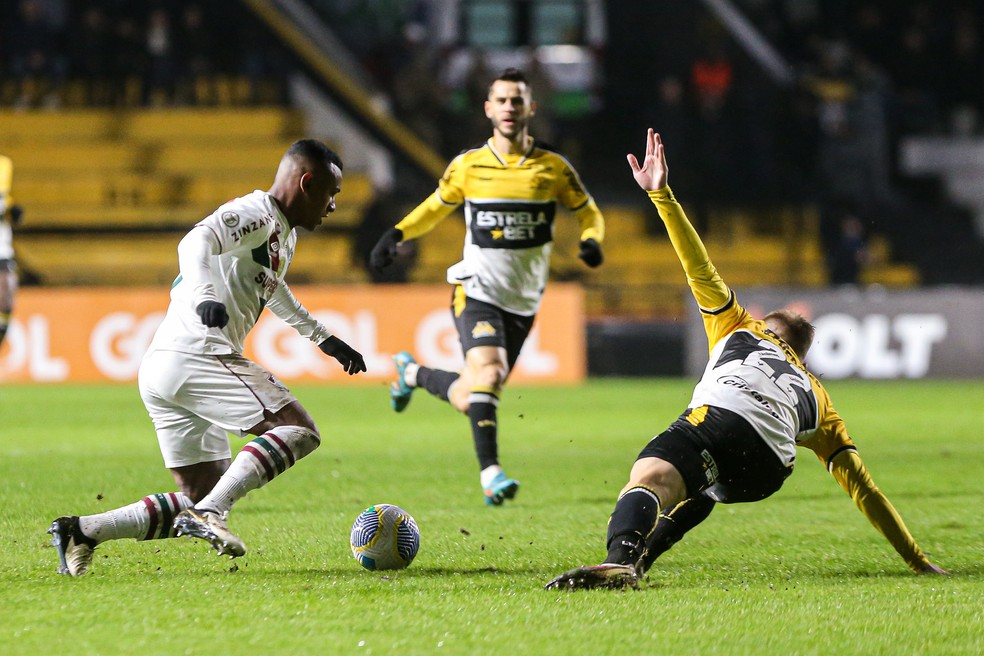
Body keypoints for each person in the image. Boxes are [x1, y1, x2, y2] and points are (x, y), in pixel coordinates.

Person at [546, 130, 946, 590]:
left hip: (723, 419)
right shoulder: (818, 395)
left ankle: (621, 559)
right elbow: (864, 488)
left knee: (653, 475)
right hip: (766, 470)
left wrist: (661, 195)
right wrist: (916, 559)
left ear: (767, 323)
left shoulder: (739, 324)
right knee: (702, 485)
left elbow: (697, 264)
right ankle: (639, 564)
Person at [48, 139, 367, 576]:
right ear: (307, 182)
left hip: (165, 365)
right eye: (331, 193)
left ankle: (82, 531)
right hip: (199, 354)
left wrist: (325, 338)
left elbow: (269, 285)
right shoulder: (256, 213)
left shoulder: (281, 234)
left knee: (202, 489)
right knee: (298, 430)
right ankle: (211, 514)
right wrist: (204, 297)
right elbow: (194, 241)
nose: (332, 206)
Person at [369, 68, 605, 506]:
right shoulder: (469, 166)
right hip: (476, 290)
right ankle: (491, 474)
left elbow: (588, 212)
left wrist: (591, 241)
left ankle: (412, 373)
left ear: (530, 108)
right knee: (491, 374)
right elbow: (435, 207)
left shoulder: (552, 168)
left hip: (524, 301)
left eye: (517, 100)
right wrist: (397, 234)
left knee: (474, 394)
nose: (510, 108)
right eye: (502, 100)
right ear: (488, 109)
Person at [0, 155, 24, 349]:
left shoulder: (4, 164)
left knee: (6, 299)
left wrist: (13, 211)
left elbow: (5, 202)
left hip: (2, 248)